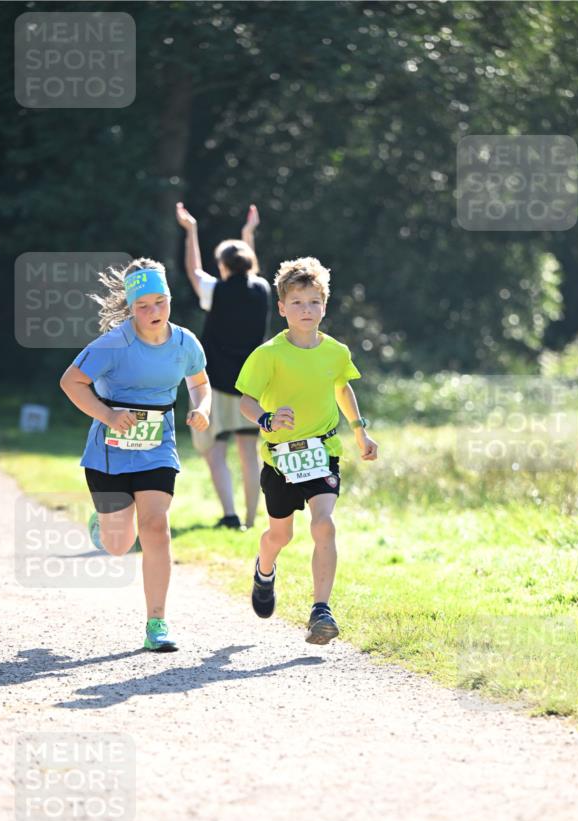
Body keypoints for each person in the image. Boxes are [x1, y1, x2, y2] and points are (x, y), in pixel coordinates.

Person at [59, 258, 211, 653]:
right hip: (109, 452)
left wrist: (202, 408)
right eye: (143, 305)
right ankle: (102, 522)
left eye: (160, 302)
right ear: (130, 308)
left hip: (158, 448)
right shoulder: (113, 344)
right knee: (117, 545)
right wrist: (109, 414)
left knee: (156, 527)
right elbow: (71, 382)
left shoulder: (185, 343)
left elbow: (200, 383)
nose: (153, 312)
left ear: (170, 300)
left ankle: (156, 622)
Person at [235, 256, 378, 645]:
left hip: (323, 451)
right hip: (280, 460)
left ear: (324, 306)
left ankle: (321, 610)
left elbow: (342, 388)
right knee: (279, 535)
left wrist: (360, 433)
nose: (306, 310)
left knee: (324, 523)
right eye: (297, 302)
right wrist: (266, 419)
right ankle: (265, 571)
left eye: (314, 301)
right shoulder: (268, 354)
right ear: (281, 308)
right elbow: (244, 400)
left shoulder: (336, 352)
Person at [176, 201, 271, 529]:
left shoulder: (215, 290)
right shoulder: (262, 290)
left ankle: (229, 516)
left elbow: (193, 272)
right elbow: (253, 272)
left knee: (213, 449)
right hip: (251, 387)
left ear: (223, 265)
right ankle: (249, 519)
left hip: (214, 384)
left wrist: (191, 231)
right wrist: (248, 234)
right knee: (249, 452)